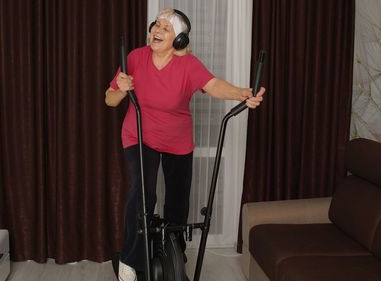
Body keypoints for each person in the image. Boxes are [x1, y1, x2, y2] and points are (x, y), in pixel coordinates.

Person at [105, 8, 265, 281]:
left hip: (177, 141)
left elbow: (214, 85)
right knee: (142, 195)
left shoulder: (188, 64)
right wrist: (121, 87)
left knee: (178, 204)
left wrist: (241, 93)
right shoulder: (134, 57)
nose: (156, 29)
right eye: (156, 24)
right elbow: (110, 100)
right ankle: (130, 260)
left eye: (165, 28)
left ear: (178, 40)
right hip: (138, 135)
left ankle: (174, 255)